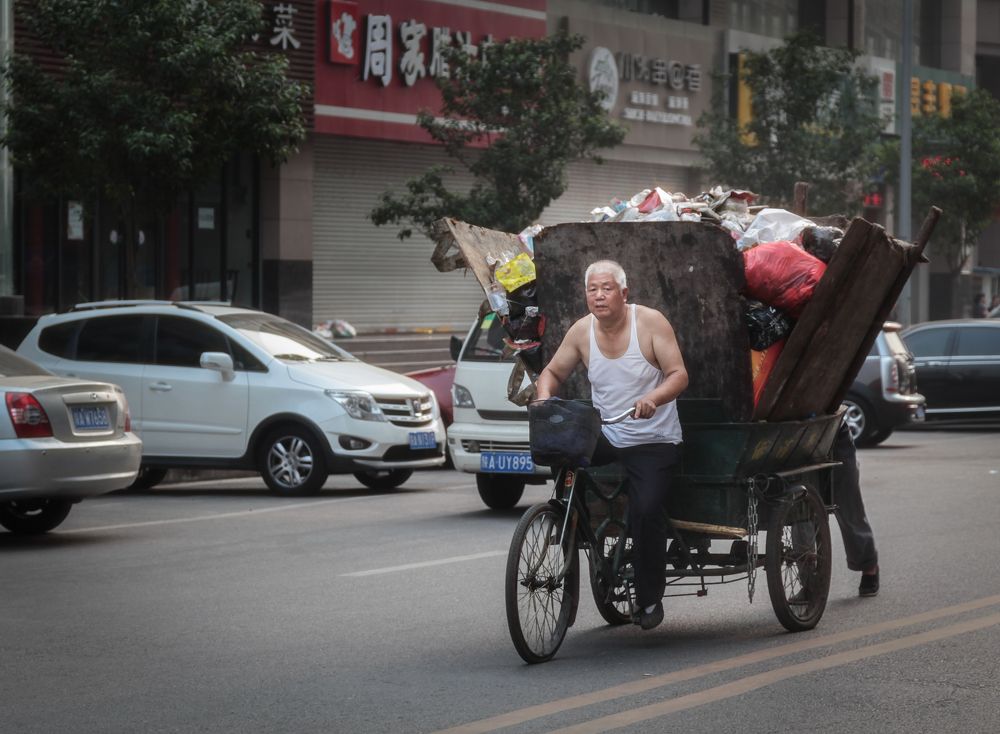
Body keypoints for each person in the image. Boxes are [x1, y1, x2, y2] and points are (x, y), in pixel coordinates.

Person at [533, 259, 688, 630]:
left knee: (646, 509)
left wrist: (654, 398)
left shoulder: (649, 322)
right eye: (592, 289)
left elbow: (678, 374)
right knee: (564, 454)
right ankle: (571, 523)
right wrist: (543, 397)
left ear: (624, 292)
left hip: (654, 439)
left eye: (606, 288)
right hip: (609, 433)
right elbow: (553, 372)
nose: (599, 296)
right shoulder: (582, 331)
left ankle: (649, 598)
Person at [831, 421, 880, 596]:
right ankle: (808, 576)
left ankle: (869, 566)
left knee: (848, 504)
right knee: (799, 512)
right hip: (787, 434)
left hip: (831, 432)